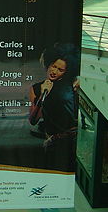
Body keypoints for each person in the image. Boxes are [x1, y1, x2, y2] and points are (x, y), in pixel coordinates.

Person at [28, 43, 80, 172]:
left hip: (72, 139)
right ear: (48, 64)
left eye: (60, 70)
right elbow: (33, 119)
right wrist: (42, 95)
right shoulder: (36, 88)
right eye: (53, 66)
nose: (54, 71)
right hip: (53, 141)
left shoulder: (71, 84)